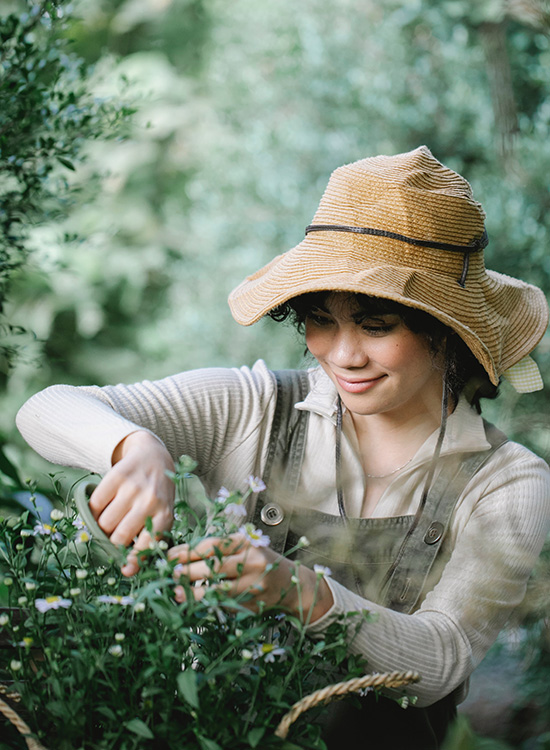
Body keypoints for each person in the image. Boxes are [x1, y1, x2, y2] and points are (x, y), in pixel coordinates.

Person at [16, 146, 550, 748]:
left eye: (376, 326)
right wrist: (135, 447)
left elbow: (441, 659)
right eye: (321, 319)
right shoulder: (255, 407)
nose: (343, 355)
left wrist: (301, 590)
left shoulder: (507, 481)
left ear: (446, 328)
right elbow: (46, 409)